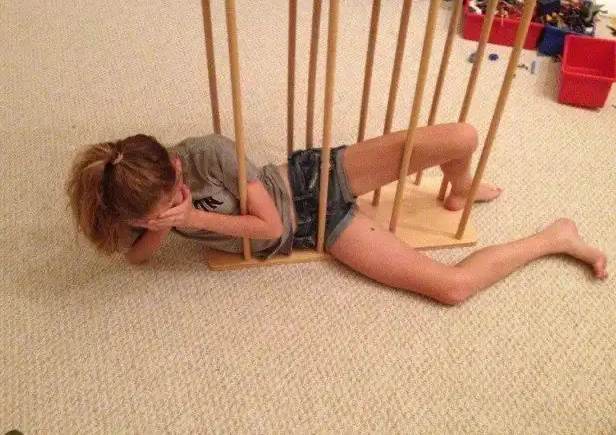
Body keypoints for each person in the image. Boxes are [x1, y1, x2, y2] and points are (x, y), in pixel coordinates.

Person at [66, 123, 607, 305]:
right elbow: (139, 259)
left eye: (177, 192)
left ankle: (460, 186)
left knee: (462, 137)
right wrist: (154, 227)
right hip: (320, 229)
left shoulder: (208, 154)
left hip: (310, 181)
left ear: (175, 166)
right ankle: (556, 236)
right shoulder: (140, 204)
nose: (178, 203)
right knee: (452, 288)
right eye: (159, 212)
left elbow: (271, 227)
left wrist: (193, 219)